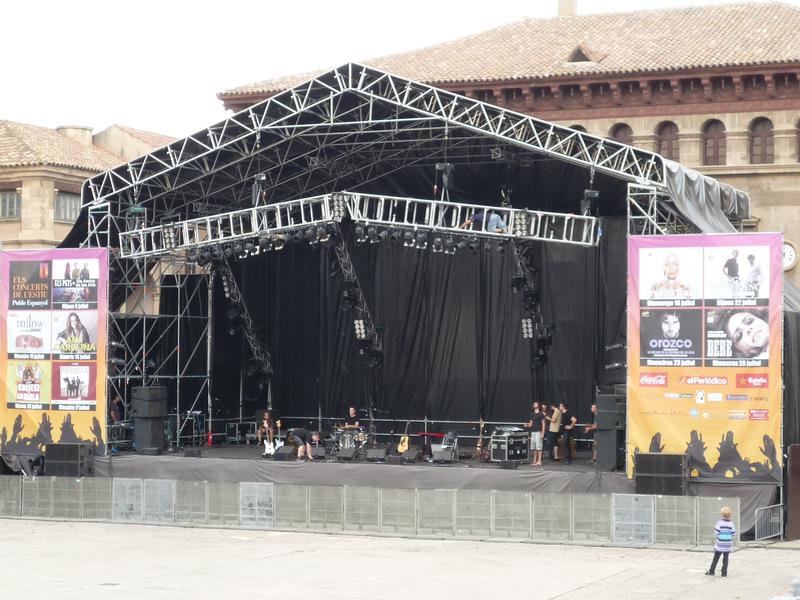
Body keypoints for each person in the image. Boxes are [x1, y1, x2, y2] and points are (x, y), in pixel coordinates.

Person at [705, 506, 736, 577]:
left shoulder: (719, 523)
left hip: (720, 543)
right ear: (730, 515)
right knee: (726, 558)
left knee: (716, 557)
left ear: (722, 514)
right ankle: (724, 573)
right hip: (728, 543)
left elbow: (716, 532)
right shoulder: (731, 524)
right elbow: (733, 533)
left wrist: (718, 537)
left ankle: (711, 572)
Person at [526, 402, 546, 466]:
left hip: (538, 432)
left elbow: (543, 424)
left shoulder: (541, 414)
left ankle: (539, 461)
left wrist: (542, 433)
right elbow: (531, 424)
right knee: (534, 447)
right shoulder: (532, 414)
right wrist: (527, 425)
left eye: (536, 404)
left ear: (538, 405)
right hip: (533, 432)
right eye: (534, 404)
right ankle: (534, 461)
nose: (534, 404)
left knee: (539, 447)